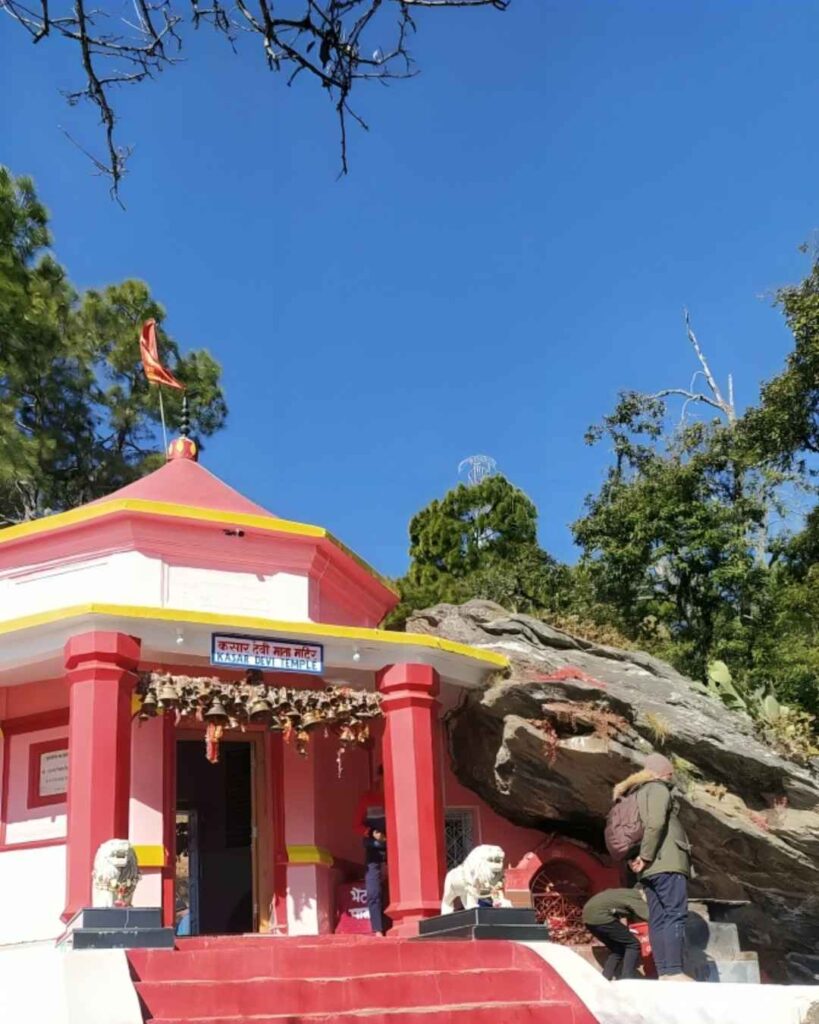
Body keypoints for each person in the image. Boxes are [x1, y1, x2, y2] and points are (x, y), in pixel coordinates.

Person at [614, 752, 693, 982]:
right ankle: (674, 971)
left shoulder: (635, 794)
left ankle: (665, 971)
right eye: (669, 772)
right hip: (665, 863)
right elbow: (656, 824)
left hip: (649, 868)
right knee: (674, 913)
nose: (672, 776)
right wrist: (647, 856)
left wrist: (639, 858)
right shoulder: (657, 789)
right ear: (660, 772)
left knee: (658, 918)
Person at [582, 886, 649, 980]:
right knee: (633, 944)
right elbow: (648, 916)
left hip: (588, 920)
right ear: (644, 892)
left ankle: (605, 978)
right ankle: (627, 978)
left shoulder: (623, 892)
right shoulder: (635, 896)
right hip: (602, 917)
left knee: (618, 949)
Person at [353, 765, 387, 936]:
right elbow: (356, 826)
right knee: (373, 889)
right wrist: (372, 833)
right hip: (373, 849)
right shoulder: (368, 798)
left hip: (395, 849)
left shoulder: (397, 796)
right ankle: (378, 930)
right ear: (379, 778)